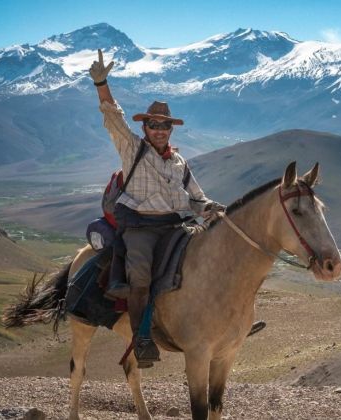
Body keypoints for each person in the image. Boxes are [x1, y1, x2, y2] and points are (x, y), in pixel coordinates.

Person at [89, 49, 225, 366]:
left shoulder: (179, 162)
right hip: (140, 227)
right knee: (141, 278)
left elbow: (196, 197)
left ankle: (225, 326)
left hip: (176, 226)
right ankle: (143, 337)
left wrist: (210, 208)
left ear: (171, 130)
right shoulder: (131, 148)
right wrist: (102, 84)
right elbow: (113, 117)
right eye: (154, 124)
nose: (160, 130)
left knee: (213, 263)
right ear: (145, 127)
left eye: (165, 126)